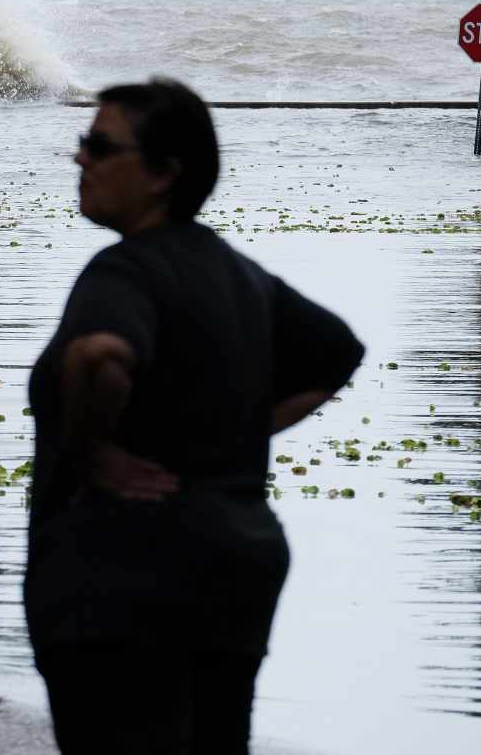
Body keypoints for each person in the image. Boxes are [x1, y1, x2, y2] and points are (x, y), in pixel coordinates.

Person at [24, 79, 365, 754]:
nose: (80, 159)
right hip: (235, 569)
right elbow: (337, 351)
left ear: (163, 174)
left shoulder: (123, 272)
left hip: (122, 576)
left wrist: (91, 454)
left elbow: (98, 355)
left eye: (99, 145)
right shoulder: (238, 273)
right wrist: (239, 428)